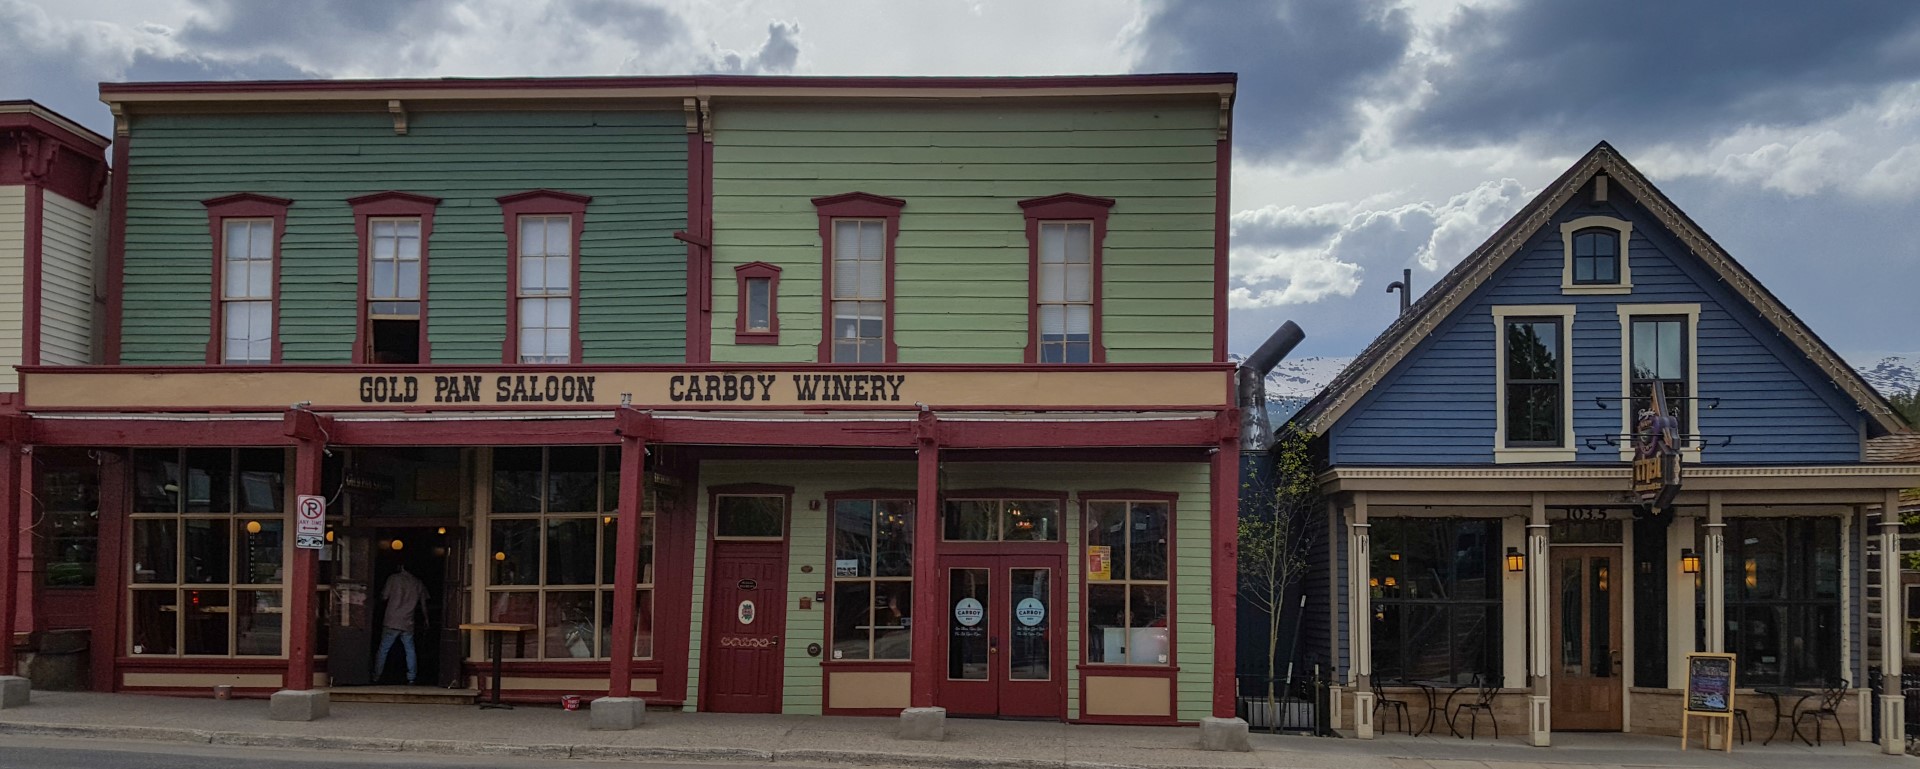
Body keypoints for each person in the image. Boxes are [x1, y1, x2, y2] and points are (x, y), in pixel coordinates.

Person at [373, 562, 431, 685]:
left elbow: (384, 597)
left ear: (402, 566)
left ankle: (376, 676)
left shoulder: (393, 578)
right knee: (410, 650)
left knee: (383, 649)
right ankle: (411, 677)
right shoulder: (418, 582)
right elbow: (423, 605)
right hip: (408, 621)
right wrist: (426, 619)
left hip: (391, 620)